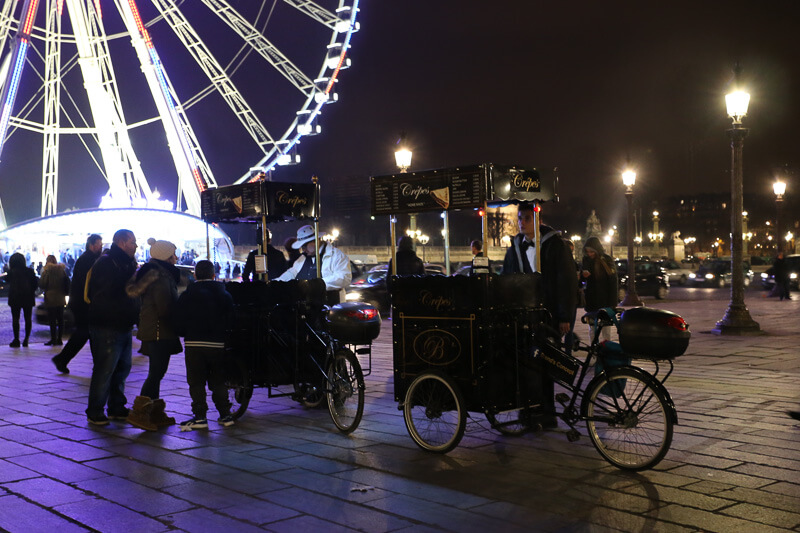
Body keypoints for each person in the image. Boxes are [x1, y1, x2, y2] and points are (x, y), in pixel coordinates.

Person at [502, 202, 578, 428]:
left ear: (538, 220)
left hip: (550, 315)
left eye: (526, 218)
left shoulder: (556, 245)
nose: (522, 222)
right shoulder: (515, 246)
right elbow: (507, 279)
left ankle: (547, 412)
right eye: (520, 218)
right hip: (525, 316)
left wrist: (565, 316)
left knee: (546, 364)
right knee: (526, 364)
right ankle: (529, 411)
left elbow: (567, 282)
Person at [125, 238, 183, 431]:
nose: (176, 257)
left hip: (156, 329)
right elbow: (165, 307)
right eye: (173, 253)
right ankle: (139, 413)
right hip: (159, 329)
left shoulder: (159, 274)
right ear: (166, 256)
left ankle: (155, 412)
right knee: (156, 372)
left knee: (157, 372)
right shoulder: (160, 276)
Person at [85, 229, 140, 426]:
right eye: (133, 242)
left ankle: (117, 406)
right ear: (122, 243)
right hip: (107, 324)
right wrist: (134, 277)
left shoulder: (125, 262)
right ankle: (95, 410)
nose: (135, 245)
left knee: (122, 368)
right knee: (105, 369)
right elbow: (109, 292)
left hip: (123, 324)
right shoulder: (107, 262)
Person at [174, 260, 236, 430]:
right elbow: (231, 319)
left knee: (196, 381)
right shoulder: (224, 295)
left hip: (194, 343)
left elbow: (178, 319)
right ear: (213, 275)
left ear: (195, 275)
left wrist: (184, 332)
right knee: (218, 381)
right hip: (217, 343)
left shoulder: (188, 295)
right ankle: (225, 415)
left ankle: (200, 417)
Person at [52, 234, 103, 373]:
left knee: (88, 333)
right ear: (92, 245)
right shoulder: (88, 260)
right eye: (99, 244)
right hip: (83, 303)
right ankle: (63, 358)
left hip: (81, 302)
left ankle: (64, 359)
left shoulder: (88, 259)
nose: (101, 246)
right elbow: (87, 283)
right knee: (85, 332)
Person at [277, 225, 352, 305]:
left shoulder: (336, 256)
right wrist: (275, 283)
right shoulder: (303, 258)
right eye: (302, 247)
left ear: (316, 241)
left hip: (330, 306)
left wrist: (314, 284)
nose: (303, 250)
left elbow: (344, 278)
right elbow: (291, 273)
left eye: (305, 246)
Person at [581, 236, 618, 342]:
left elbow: (613, 281)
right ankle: (594, 354)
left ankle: (606, 352)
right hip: (592, 300)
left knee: (606, 331)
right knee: (592, 330)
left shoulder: (606, 259)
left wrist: (613, 303)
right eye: (587, 252)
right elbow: (581, 280)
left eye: (592, 252)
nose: (590, 254)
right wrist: (584, 276)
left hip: (605, 300)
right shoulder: (586, 260)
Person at [6, 252, 37, 348]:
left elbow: (6, 280)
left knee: (15, 319)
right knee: (28, 318)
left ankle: (16, 339)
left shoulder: (11, 272)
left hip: (15, 298)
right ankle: (26, 339)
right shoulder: (30, 271)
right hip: (28, 297)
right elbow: (35, 284)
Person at [39, 254, 70, 346]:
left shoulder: (47, 270)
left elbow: (43, 284)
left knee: (52, 320)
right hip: (60, 297)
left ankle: (53, 339)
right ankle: (59, 339)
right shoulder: (62, 270)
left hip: (50, 297)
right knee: (60, 319)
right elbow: (66, 282)